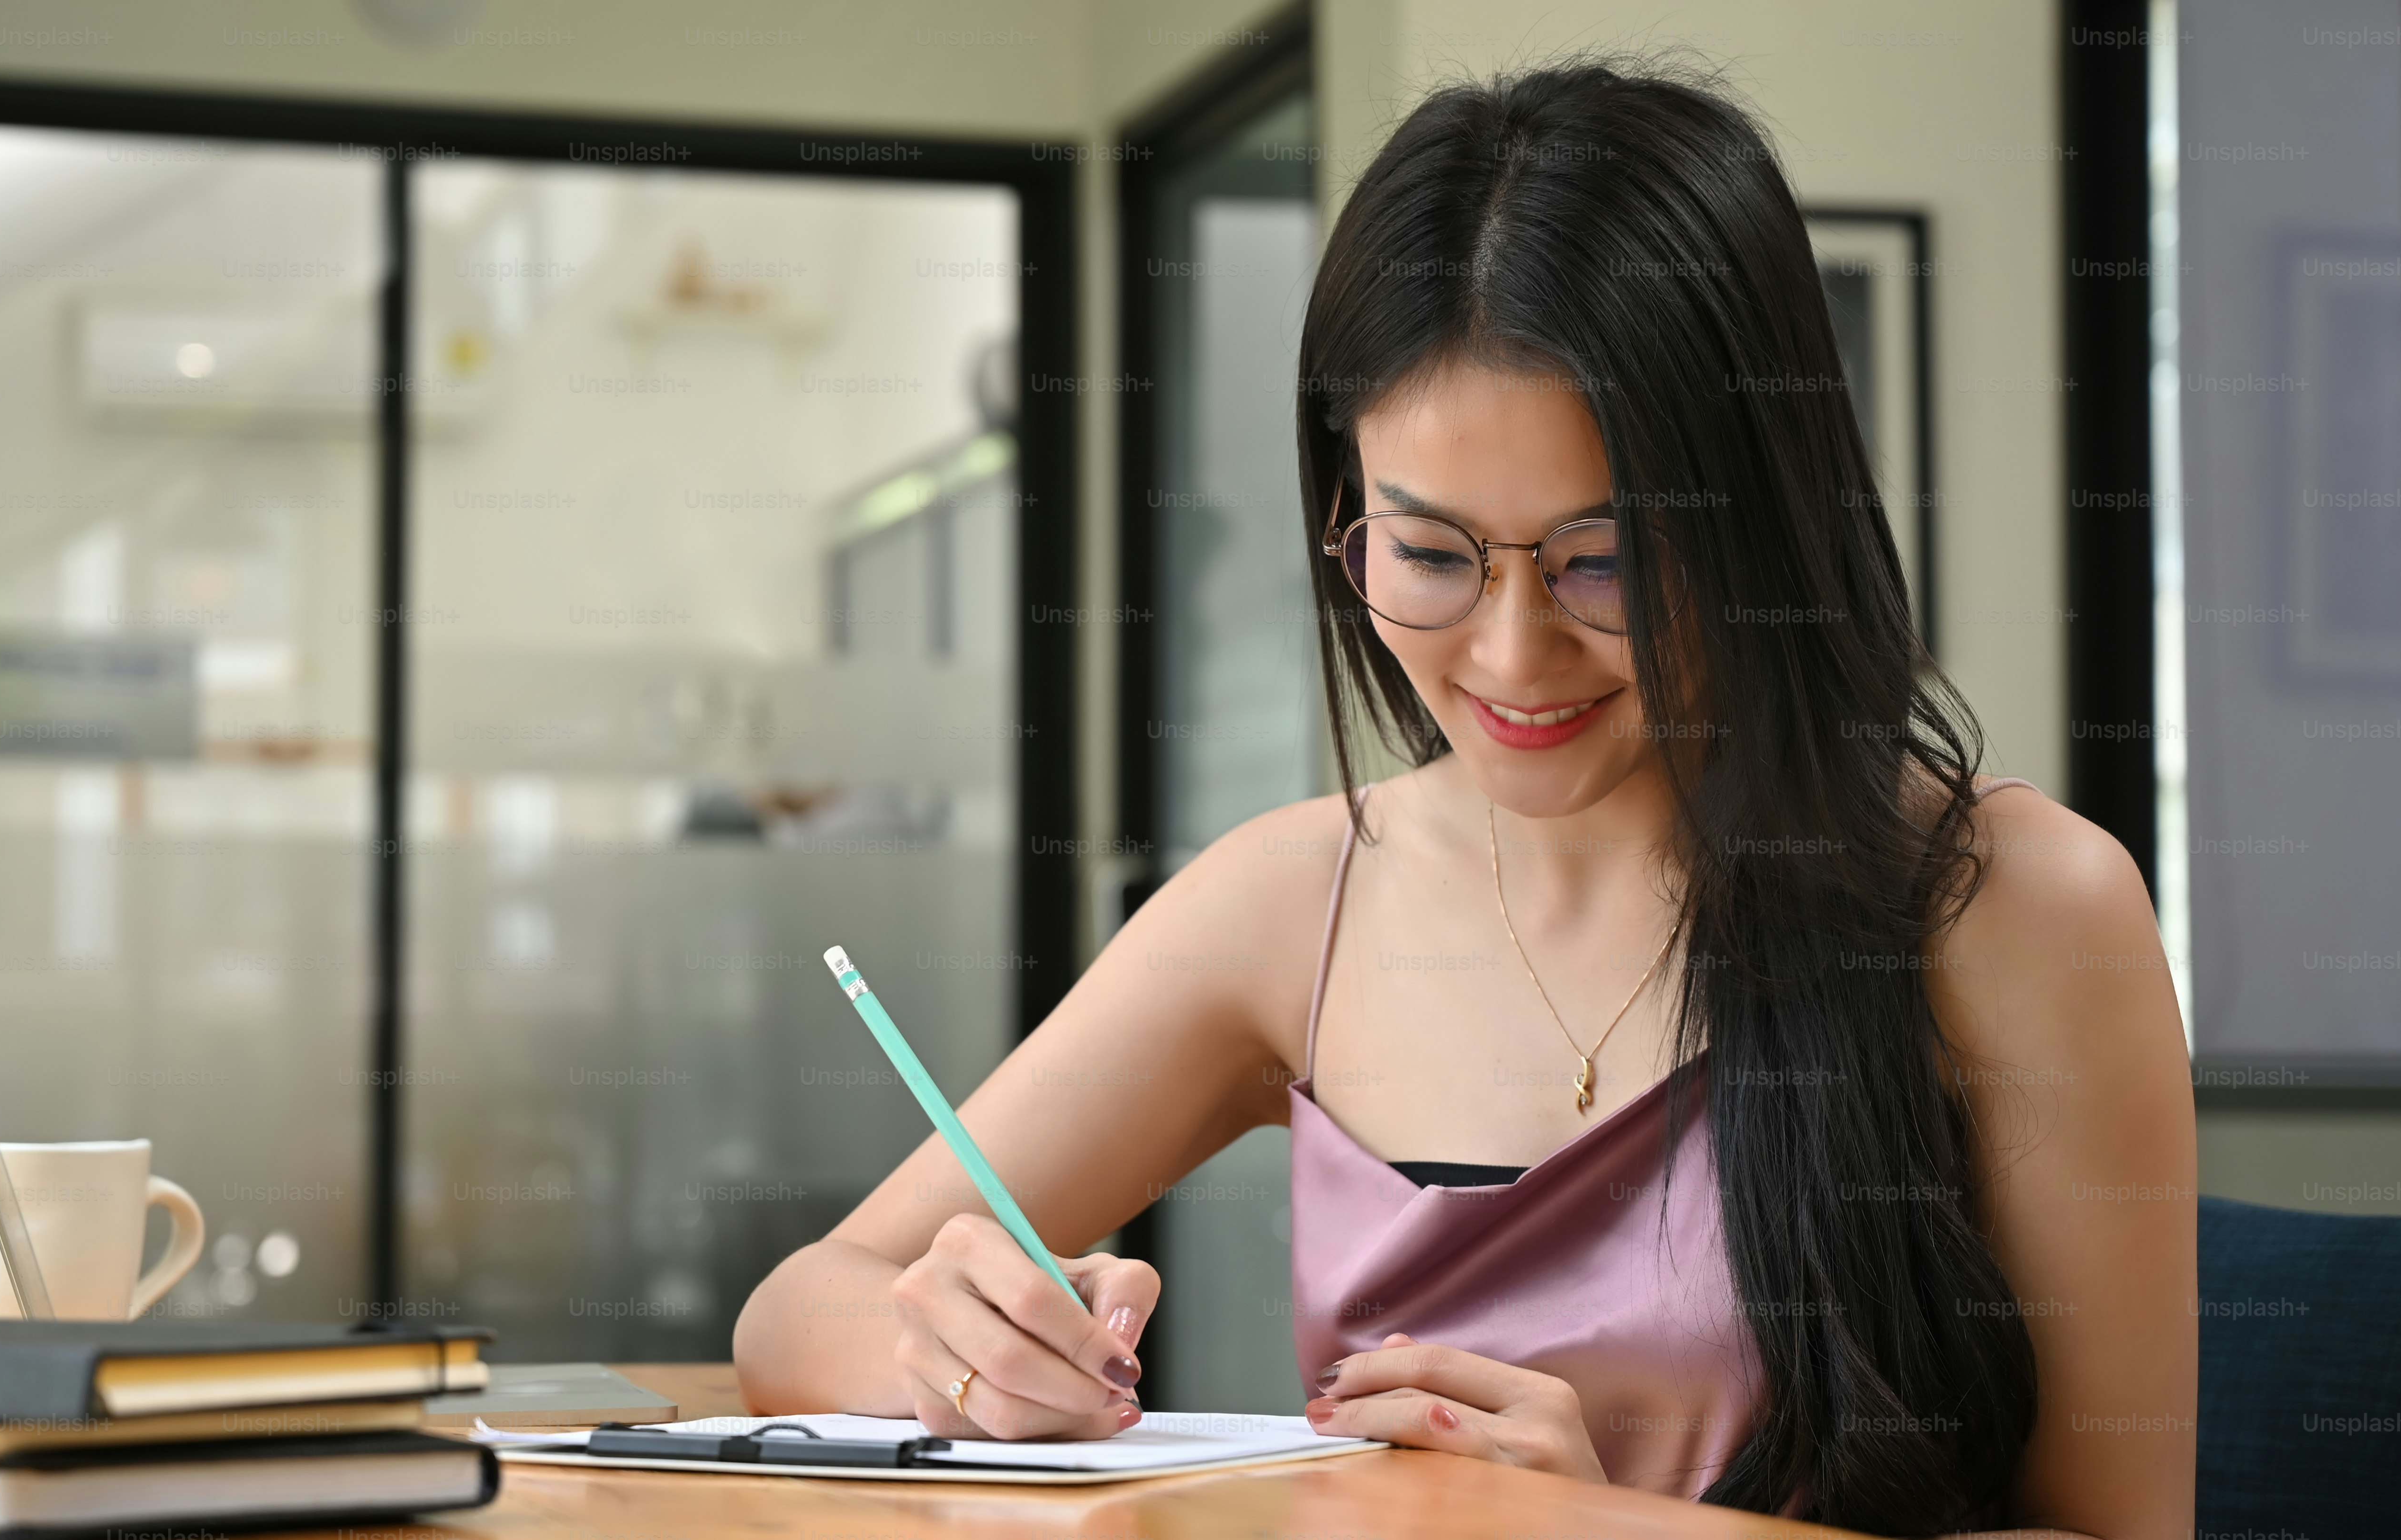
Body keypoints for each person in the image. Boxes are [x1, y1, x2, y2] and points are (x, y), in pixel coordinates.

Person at [735, 61, 2195, 1539]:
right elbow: (801, 1307)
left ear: (1764, 518)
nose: (1511, 655)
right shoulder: (1297, 900)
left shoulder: (2008, 904)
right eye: (1429, 555)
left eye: (1605, 561)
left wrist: (1629, 1526)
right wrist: (966, 1349)